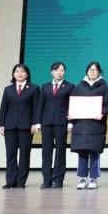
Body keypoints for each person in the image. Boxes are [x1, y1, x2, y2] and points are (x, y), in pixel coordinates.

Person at [69, 62, 108, 189]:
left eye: (95, 70)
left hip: (96, 125)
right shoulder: (78, 87)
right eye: (90, 70)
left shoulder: (105, 88)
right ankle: (82, 179)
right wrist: (70, 114)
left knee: (95, 152)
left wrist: (102, 113)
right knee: (82, 152)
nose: (92, 72)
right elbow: (72, 104)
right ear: (86, 71)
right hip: (80, 125)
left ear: (99, 72)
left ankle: (94, 179)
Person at [0, 63, 39, 189]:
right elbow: (3, 108)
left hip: (26, 126)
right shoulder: (8, 89)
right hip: (10, 126)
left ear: (27, 74)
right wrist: (1, 124)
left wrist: (35, 123)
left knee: (24, 154)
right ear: (13, 74)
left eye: (22, 71)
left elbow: (36, 108)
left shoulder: (34, 88)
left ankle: (21, 182)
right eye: (17, 71)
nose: (20, 74)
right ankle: (10, 181)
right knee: (10, 154)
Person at [34, 61, 74, 189]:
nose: (59, 72)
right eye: (56, 70)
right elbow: (40, 105)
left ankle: (58, 180)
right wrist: (37, 122)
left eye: (62, 70)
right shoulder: (45, 86)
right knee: (46, 151)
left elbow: (72, 106)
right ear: (51, 72)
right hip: (46, 123)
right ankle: (47, 179)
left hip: (62, 123)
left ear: (64, 72)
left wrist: (70, 123)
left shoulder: (70, 86)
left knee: (60, 151)